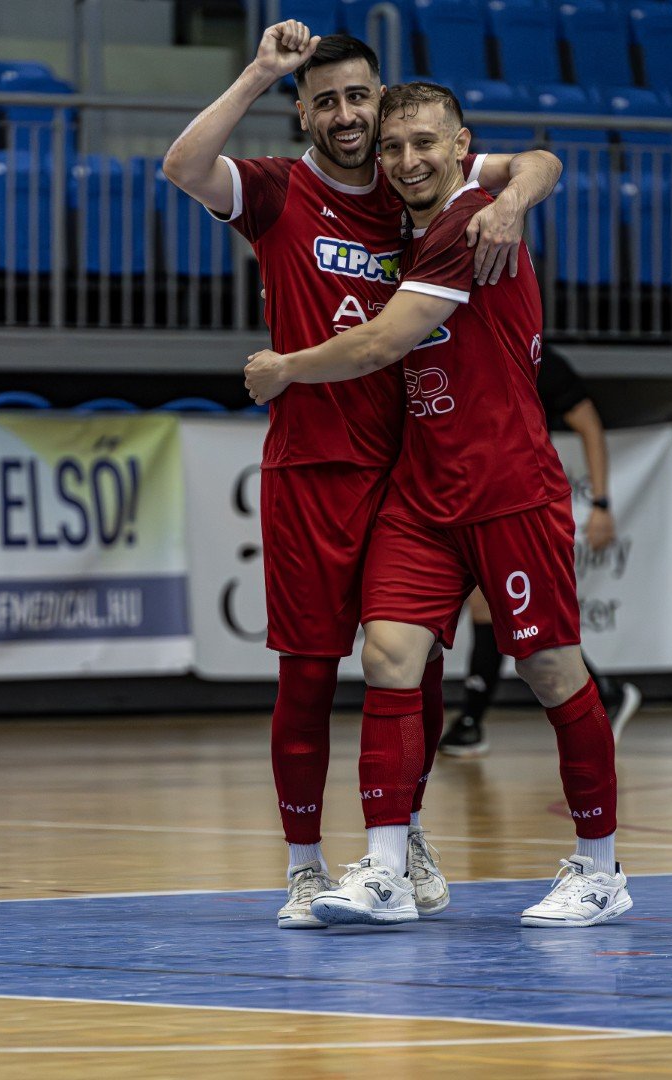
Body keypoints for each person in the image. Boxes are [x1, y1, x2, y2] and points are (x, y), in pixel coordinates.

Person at [161, 23, 561, 930]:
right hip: (310, 467)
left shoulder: (412, 182)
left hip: (407, 470)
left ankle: (399, 839)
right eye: (327, 98)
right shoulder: (274, 190)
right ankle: (303, 865)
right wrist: (260, 69)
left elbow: (536, 162)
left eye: (360, 98)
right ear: (303, 110)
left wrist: (513, 205)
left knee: (404, 669)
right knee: (306, 677)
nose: (346, 114)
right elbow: (184, 167)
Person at [244, 82, 630, 930]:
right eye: (393, 147)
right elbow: (538, 163)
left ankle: (600, 867)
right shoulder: (413, 213)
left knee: (551, 670)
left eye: (425, 144)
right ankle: (385, 871)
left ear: (461, 147)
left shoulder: (467, 222)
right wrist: (525, 186)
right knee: (388, 656)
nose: (408, 160)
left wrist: (285, 369)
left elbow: (385, 340)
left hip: (506, 486)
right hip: (422, 491)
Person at [440, 351, 642, 758]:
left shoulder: (536, 357)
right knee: (498, 609)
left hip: (524, 501)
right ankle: (473, 721)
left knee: (520, 613)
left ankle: (474, 720)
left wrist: (601, 504)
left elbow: (589, 425)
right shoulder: (456, 351)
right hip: (474, 497)